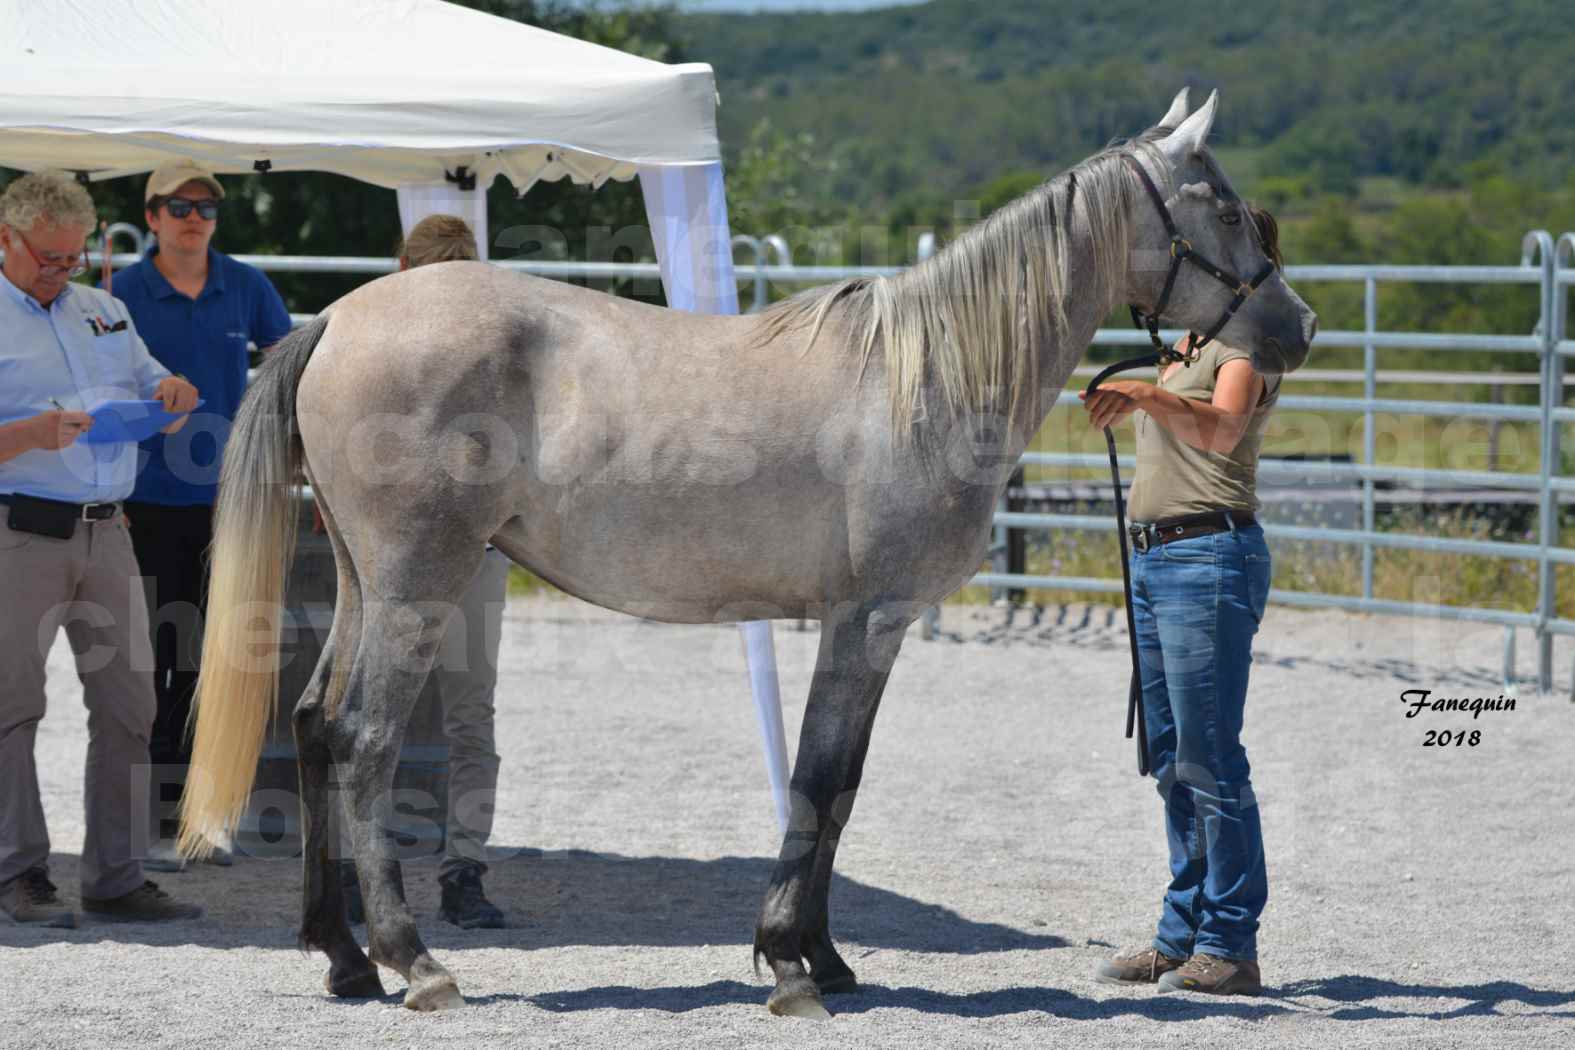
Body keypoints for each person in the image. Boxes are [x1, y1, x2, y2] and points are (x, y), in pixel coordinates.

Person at [1080, 204, 1287, 996]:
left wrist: (1146, 395)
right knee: (1172, 759)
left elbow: (1222, 430)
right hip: (1159, 561)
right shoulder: (1186, 346)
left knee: (1209, 758)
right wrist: (1147, 387)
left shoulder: (1247, 343)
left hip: (1207, 557)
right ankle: (1181, 933)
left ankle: (1229, 944)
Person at [0, 170, 203, 926]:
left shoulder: (105, 311)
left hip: (108, 525)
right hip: (16, 530)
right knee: (11, 708)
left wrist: (173, 398)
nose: (60, 270)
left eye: (72, 257)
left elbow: (155, 389)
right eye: (47, 257)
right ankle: (18, 873)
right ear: (5, 238)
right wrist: (27, 435)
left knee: (129, 704)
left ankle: (116, 878)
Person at [108, 160, 293, 869]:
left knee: (210, 661)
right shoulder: (119, 294)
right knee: (144, 660)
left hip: (230, 504)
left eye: (206, 208)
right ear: (150, 216)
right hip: (141, 503)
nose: (194, 218)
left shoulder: (246, 284)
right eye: (178, 206)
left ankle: (199, 818)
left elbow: (285, 367)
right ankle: (152, 819)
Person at [337, 214, 509, 929]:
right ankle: (437, 867)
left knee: (383, 710)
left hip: (463, 549)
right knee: (444, 714)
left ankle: (383, 866)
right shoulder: (372, 345)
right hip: (432, 552)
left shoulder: (495, 349)